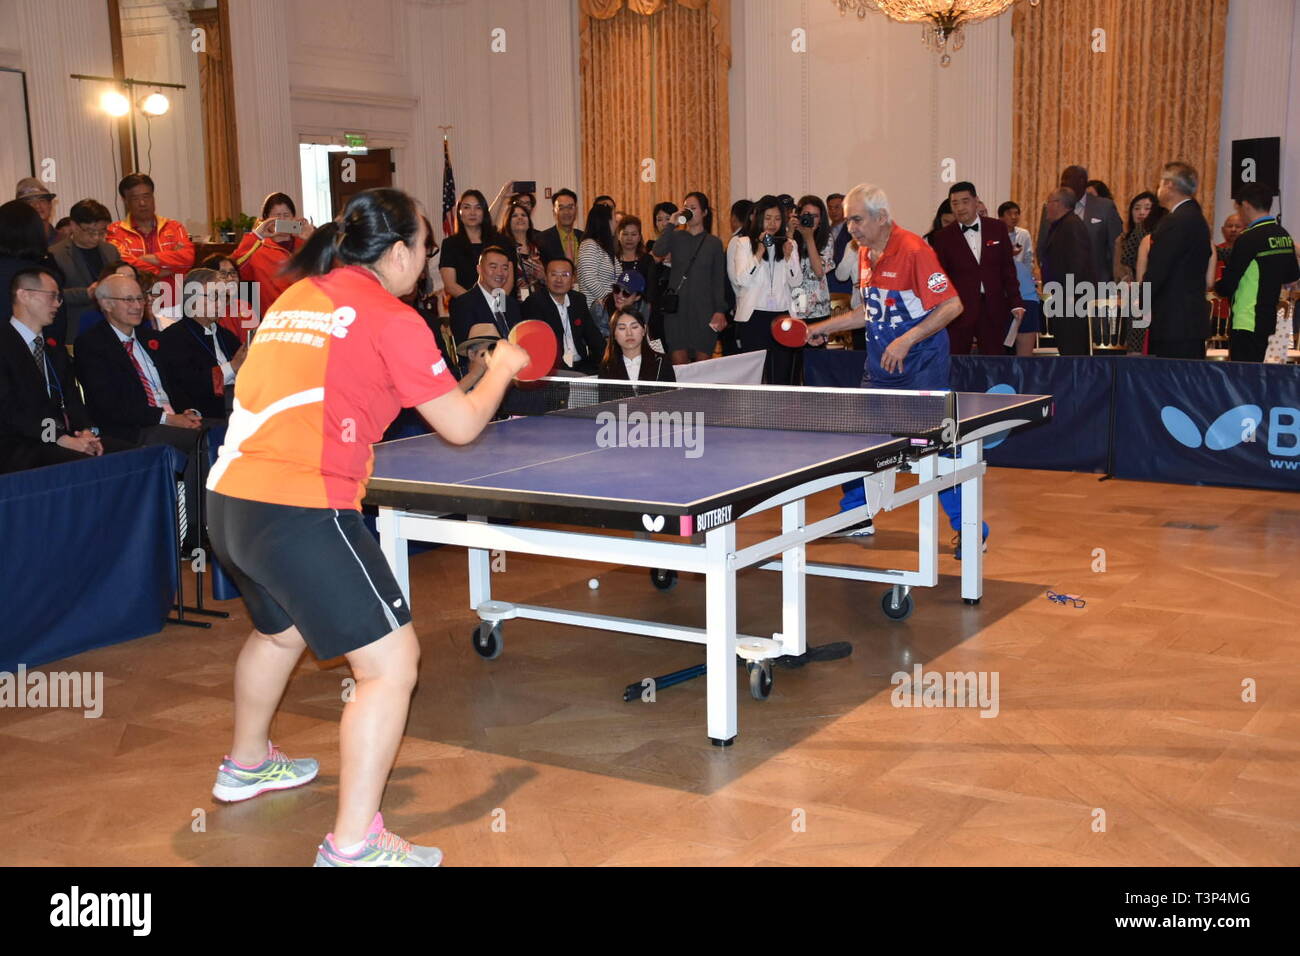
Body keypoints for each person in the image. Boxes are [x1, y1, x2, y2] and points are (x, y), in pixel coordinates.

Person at [203, 187, 529, 867]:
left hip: (230, 501)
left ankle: (247, 763)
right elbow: (463, 426)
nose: (426, 259)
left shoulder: (297, 298)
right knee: (390, 667)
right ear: (402, 250)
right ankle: (353, 844)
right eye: (426, 247)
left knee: (279, 630)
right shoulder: (393, 316)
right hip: (302, 507)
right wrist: (499, 368)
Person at [804, 183, 977, 552]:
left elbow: (951, 306)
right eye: (848, 219)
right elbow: (870, 311)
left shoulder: (915, 250)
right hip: (879, 366)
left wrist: (907, 339)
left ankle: (971, 527)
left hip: (922, 366)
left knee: (937, 449)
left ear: (882, 218)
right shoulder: (867, 253)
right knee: (860, 443)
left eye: (857, 219)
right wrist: (819, 328)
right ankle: (856, 515)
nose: (850, 227)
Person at [0, 266, 129, 472]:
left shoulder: (53, 348)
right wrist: (60, 438)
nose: (57, 304)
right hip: (19, 443)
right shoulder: (5, 344)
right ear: (24, 295)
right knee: (85, 464)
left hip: (61, 437)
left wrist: (85, 432)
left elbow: (72, 399)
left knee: (128, 454)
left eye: (59, 298)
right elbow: (10, 412)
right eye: (52, 296)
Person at [930, 182, 1023, 356]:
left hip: (993, 308)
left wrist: (1016, 301)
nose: (960, 208)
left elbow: (1007, 269)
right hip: (959, 312)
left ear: (976, 201)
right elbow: (941, 277)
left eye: (965, 201)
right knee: (956, 362)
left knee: (995, 362)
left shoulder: (997, 228)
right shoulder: (943, 237)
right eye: (955, 203)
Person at [1215, 184, 1299, 362]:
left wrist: (1215, 287)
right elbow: (1292, 278)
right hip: (1268, 318)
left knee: (1242, 377)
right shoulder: (1283, 235)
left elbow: (1229, 284)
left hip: (1246, 319)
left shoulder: (1248, 239)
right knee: (1257, 374)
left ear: (1245, 205)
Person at [158, 267, 246, 418]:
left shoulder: (226, 335)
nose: (221, 303)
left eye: (223, 297)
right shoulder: (173, 337)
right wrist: (232, 366)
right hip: (204, 416)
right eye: (213, 296)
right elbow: (191, 385)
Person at [1145, 161, 1212, 359]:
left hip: (1175, 321)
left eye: (1160, 183)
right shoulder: (1195, 217)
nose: (1158, 188)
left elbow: (1159, 268)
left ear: (1170, 185)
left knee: (1172, 383)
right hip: (1188, 319)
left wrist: (1141, 298)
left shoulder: (1176, 220)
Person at [651, 192, 727, 366]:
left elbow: (718, 280)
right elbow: (658, 250)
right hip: (677, 311)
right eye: (687, 208)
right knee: (680, 367)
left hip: (704, 312)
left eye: (694, 208)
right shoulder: (676, 237)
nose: (690, 212)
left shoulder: (713, 243)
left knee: (703, 369)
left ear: (705, 212)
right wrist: (672, 224)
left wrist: (720, 310)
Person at [731, 195, 800, 383]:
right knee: (754, 375)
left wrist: (788, 258)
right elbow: (741, 279)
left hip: (782, 315)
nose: (772, 223)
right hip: (754, 317)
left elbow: (796, 282)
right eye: (768, 218)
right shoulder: (744, 243)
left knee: (781, 373)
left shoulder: (789, 243)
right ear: (759, 218)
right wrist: (759, 252)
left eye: (777, 219)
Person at [1036, 165, 1122, 283]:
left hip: (1098, 286)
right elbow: (1043, 246)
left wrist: (1116, 281)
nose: (1062, 182)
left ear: (1082, 181)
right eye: (1062, 179)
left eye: (1067, 178)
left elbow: (1115, 247)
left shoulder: (1105, 207)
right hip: (1060, 288)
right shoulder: (1051, 208)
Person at [48, 199, 120, 338]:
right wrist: (86, 293)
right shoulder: (55, 255)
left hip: (113, 325)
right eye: (91, 231)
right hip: (77, 329)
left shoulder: (111, 251)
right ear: (74, 226)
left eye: (102, 231)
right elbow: (51, 295)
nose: (97, 237)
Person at [232, 192, 313, 312]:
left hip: (308, 313)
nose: (282, 220)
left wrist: (313, 241)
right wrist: (257, 235)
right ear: (265, 220)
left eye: (286, 215)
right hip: (275, 317)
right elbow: (235, 267)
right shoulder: (257, 249)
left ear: (294, 218)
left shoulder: (305, 245)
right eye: (276, 216)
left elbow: (329, 271)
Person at [1038, 187, 1096, 356]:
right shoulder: (1062, 225)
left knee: (1073, 352)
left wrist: (1069, 300)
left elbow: (1079, 265)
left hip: (1071, 305)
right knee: (1067, 350)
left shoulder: (1072, 226)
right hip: (1064, 302)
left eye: (1048, 202)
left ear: (1058, 204)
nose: (1046, 207)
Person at [522, 256, 605, 373]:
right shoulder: (534, 303)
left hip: (581, 365)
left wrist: (606, 361)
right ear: (545, 277)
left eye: (565, 275)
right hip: (553, 368)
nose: (559, 280)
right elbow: (538, 348)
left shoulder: (578, 300)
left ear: (573, 279)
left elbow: (593, 336)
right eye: (554, 274)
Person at [106, 173, 194, 279]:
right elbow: (124, 264)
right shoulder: (115, 231)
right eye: (135, 199)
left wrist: (146, 259)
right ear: (125, 201)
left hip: (172, 294)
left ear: (153, 196)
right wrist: (161, 271)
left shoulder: (174, 227)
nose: (142, 203)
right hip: (136, 294)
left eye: (146, 196)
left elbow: (188, 258)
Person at [449, 246, 522, 344]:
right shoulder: (463, 305)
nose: (500, 273)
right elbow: (466, 350)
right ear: (479, 269)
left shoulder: (511, 304)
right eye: (493, 267)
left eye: (505, 268)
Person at [438, 189, 500, 299]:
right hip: (464, 306)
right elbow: (450, 285)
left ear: (484, 212)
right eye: (467, 207)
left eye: (478, 207)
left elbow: (505, 277)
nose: (472, 213)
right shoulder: (450, 244)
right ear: (459, 212)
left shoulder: (496, 241)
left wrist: (497, 304)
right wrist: (477, 303)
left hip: (497, 304)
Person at [998, 201, 1040, 356]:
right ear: (1001, 217)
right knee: (1002, 348)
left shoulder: (1023, 234)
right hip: (1004, 294)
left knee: (1024, 352)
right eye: (1010, 214)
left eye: (1017, 213)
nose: (1014, 217)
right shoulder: (995, 234)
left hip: (1025, 290)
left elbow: (1029, 259)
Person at [576, 202, 619, 332]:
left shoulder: (605, 247)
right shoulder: (589, 245)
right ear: (605, 222)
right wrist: (610, 300)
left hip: (609, 308)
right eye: (614, 219)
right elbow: (589, 279)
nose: (616, 224)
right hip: (598, 312)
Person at [600, 307, 674, 381]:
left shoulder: (662, 362)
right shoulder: (607, 367)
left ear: (644, 330)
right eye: (622, 328)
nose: (629, 333)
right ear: (614, 334)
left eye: (634, 327)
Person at [496, 200, 543, 302]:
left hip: (538, 304)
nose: (520, 217)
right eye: (514, 216)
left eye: (523, 215)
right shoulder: (503, 249)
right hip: (511, 304)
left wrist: (543, 277)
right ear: (507, 221)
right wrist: (499, 306)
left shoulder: (538, 248)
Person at [1208, 212, 1245, 335]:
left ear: (1245, 229)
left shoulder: (1248, 253)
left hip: (1239, 314)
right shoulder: (1213, 252)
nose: (1233, 229)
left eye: (1237, 226)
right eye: (1230, 226)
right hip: (1213, 313)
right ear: (1223, 230)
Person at [1114, 191, 1164, 283]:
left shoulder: (1160, 237)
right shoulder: (1122, 239)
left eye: (1147, 208)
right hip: (1130, 290)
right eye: (1137, 208)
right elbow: (1118, 270)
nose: (1141, 212)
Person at [536, 188, 583, 265]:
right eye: (561, 208)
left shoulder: (585, 238)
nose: (566, 212)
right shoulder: (541, 240)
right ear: (554, 212)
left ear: (576, 211)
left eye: (570, 207)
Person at [15, 177, 57, 247]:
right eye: (30, 202)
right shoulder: (14, 244)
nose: (37, 206)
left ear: (50, 205)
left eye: (42, 200)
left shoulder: (64, 240)